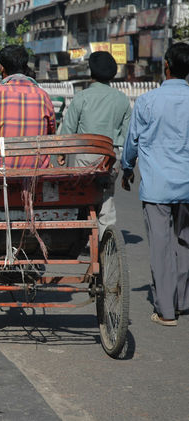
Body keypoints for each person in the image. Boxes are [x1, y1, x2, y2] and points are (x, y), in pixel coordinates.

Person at [121, 42, 189, 327]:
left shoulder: (148, 101)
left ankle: (166, 311)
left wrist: (126, 168)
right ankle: (183, 302)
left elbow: (131, 142)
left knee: (161, 246)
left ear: (166, 66)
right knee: (185, 243)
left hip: (158, 188)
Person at [59, 51, 131, 237]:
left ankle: (84, 235)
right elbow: (127, 135)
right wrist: (127, 164)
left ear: (90, 72)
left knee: (84, 197)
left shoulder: (82, 97)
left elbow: (68, 132)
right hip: (110, 157)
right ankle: (106, 243)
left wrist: (60, 155)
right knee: (106, 199)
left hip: (85, 159)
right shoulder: (122, 99)